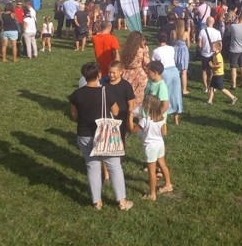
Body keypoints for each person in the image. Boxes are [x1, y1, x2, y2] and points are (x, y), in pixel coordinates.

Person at [68, 62, 133, 211]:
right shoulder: (105, 92)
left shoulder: (76, 94)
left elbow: (73, 115)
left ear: (84, 76)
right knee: (115, 167)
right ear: (98, 75)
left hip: (84, 134)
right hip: (105, 135)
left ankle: (97, 202)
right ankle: (122, 202)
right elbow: (116, 112)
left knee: (92, 167)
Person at [130, 95, 174, 201]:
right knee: (163, 165)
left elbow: (133, 130)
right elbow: (164, 132)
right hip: (160, 144)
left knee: (151, 171)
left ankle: (152, 194)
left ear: (147, 107)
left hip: (150, 147)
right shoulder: (162, 118)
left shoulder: (144, 121)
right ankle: (168, 185)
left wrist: (130, 117)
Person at [152, 32, 183, 125]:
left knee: (164, 94)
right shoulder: (171, 48)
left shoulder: (156, 51)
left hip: (164, 71)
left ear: (158, 40)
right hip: (174, 71)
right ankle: (176, 117)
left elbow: (154, 63)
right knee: (176, 93)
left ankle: (163, 115)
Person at [104, 61, 136, 143]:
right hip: (108, 116)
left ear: (121, 72)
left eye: (113, 73)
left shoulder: (126, 86)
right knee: (107, 138)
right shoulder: (105, 85)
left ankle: (121, 153)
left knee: (120, 139)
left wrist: (130, 118)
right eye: (109, 72)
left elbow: (131, 103)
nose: (111, 75)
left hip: (122, 117)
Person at [120, 30, 149, 109]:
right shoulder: (142, 50)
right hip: (139, 74)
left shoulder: (125, 49)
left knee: (127, 94)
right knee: (138, 96)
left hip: (127, 73)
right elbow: (146, 63)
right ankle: (134, 112)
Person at [207, 40, 238, 105]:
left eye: (212, 47)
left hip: (219, 75)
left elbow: (220, 65)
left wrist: (212, 66)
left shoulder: (218, 56)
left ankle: (233, 97)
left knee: (221, 88)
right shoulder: (214, 55)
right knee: (211, 87)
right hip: (215, 74)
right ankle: (209, 101)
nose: (211, 48)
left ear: (216, 48)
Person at [198, 16, 222, 93]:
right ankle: (212, 86)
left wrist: (201, 50)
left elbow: (199, 44)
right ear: (213, 22)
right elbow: (220, 44)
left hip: (205, 53)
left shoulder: (202, 31)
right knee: (213, 70)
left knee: (204, 70)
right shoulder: (217, 32)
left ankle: (205, 87)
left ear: (206, 22)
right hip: (214, 54)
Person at [229, 13, 242, 89]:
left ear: (239, 18)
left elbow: (228, 31)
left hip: (234, 49)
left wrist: (235, 21)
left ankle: (234, 84)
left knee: (233, 67)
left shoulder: (233, 26)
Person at [173, 19, 190, 96]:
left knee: (175, 71)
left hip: (175, 51)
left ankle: (174, 88)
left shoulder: (173, 32)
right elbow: (189, 45)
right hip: (183, 52)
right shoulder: (186, 33)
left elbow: (171, 42)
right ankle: (184, 89)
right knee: (184, 71)